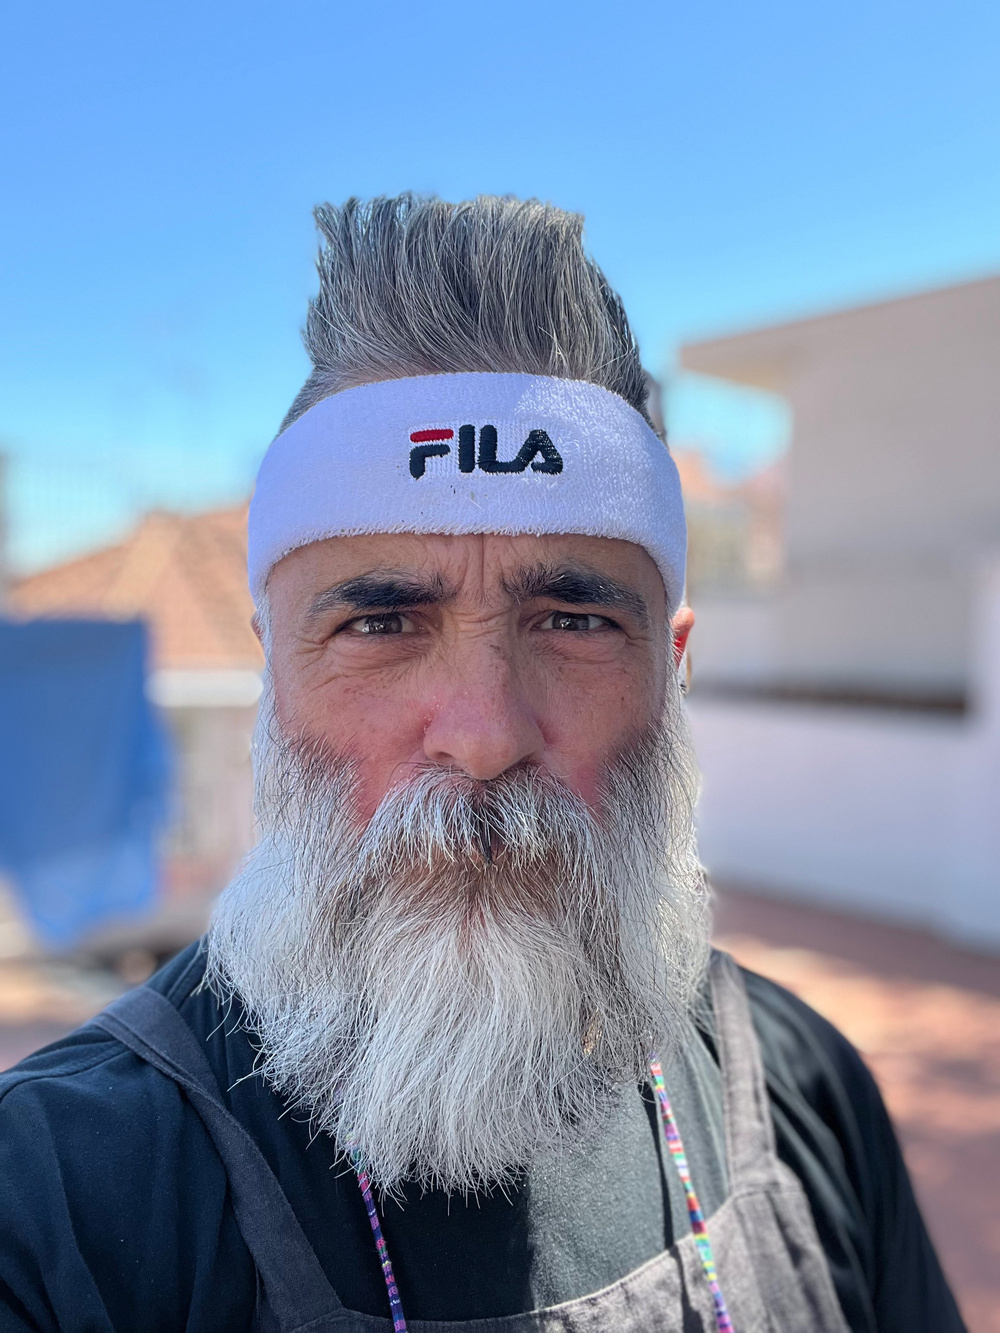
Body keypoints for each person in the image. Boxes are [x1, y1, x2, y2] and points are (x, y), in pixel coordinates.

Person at [0, 195, 965, 1333]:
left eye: (572, 620)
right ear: (272, 671)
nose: (483, 732)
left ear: (673, 666)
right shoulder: (56, 1196)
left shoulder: (804, 1093)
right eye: (378, 625)